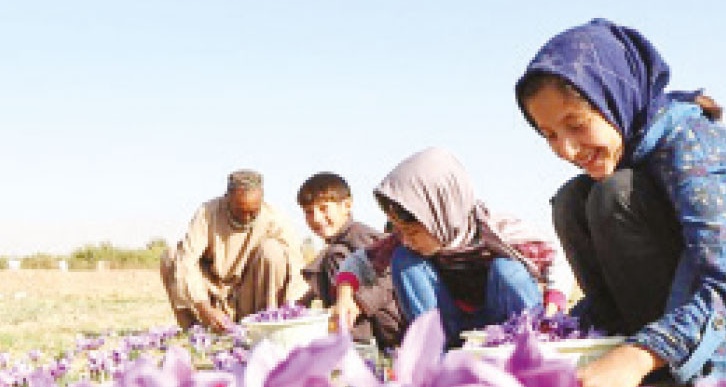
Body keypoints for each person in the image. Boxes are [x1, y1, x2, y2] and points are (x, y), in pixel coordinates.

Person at [514, 18, 726, 387]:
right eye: (550, 134)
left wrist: (638, 357)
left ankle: (686, 384)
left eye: (576, 124)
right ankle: (630, 352)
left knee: (614, 195)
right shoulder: (628, 151)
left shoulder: (699, 147)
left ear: (613, 97)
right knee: (573, 200)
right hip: (682, 307)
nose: (567, 150)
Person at [332, 147, 573, 347]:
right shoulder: (405, 241)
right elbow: (358, 262)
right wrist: (345, 297)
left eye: (413, 231)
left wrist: (552, 309)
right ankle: (434, 355)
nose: (406, 239)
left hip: (503, 320)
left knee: (507, 270)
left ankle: (534, 346)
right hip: (451, 324)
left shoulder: (497, 230)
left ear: (439, 214)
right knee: (404, 260)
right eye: (401, 231)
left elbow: (556, 261)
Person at [160, 170, 309, 332]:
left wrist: (292, 309)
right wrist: (204, 308)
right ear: (227, 199)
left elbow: (297, 268)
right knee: (172, 256)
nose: (246, 218)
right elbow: (186, 262)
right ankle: (193, 329)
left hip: (250, 295)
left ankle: (267, 324)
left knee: (273, 251)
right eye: (240, 211)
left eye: (253, 213)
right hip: (212, 295)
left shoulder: (275, 218)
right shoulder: (207, 213)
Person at [296, 172, 403, 349]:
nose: (316, 218)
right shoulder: (339, 241)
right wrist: (299, 306)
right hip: (377, 323)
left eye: (324, 208)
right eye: (309, 212)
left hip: (390, 326)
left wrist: (357, 303)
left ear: (347, 206)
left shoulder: (358, 236)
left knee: (335, 256)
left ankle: (355, 345)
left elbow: (391, 275)